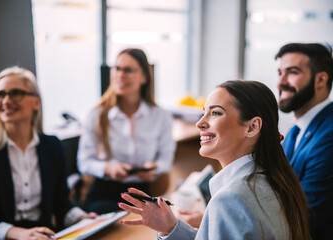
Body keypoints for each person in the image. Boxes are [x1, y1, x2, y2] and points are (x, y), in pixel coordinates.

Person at [119, 80, 310, 239]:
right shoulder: (274, 181)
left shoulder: (230, 199)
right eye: (204, 112)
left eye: (216, 113)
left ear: (252, 127)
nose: (200, 123)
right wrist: (172, 228)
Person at [0, 66, 96, 240]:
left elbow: (61, 205)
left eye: (15, 93)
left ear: (36, 102)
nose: (6, 101)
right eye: (0, 94)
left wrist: (83, 218)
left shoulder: (52, 146)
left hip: (45, 236)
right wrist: (20, 234)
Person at [77, 48, 176, 214]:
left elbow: (166, 159)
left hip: (141, 192)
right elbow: (84, 163)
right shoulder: (97, 115)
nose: (120, 75)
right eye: (117, 68)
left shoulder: (161, 116)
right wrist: (108, 168)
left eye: (128, 70)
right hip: (104, 193)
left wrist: (154, 168)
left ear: (144, 76)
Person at [275, 43, 333, 239]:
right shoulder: (296, 130)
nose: (280, 82)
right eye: (280, 72)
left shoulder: (329, 134)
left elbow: (307, 216)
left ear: (321, 79)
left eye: (292, 72)